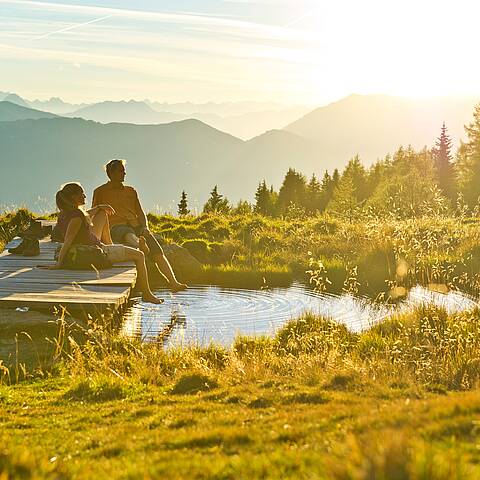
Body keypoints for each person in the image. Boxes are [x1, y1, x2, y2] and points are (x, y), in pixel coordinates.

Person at [43, 182, 163, 305]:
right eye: (82, 194)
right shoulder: (77, 216)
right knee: (140, 256)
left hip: (89, 245)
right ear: (74, 197)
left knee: (102, 213)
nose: (85, 196)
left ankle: (112, 245)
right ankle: (147, 294)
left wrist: (100, 206)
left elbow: (86, 216)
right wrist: (59, 264)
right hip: (98, 252)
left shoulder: (64, 214)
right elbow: (68, 241)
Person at [92, 159, 187, 292]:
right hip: (115, 226)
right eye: (121, 171)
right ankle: (140, 245)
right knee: (127, 234)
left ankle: (173, 282)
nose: (124, 173)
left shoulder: (131, 191)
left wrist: (145, 227)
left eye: (124, 170)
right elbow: (95, 213)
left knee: (157, 250)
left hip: (136, 225)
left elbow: (140, 213)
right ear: (111, 173)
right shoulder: (100, 191)